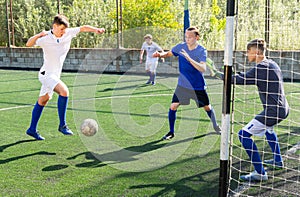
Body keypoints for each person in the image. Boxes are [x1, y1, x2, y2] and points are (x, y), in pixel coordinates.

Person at [208, 38, 289, 181]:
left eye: (248, 51)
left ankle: (260, 173)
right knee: (268, 130)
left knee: (243, 135)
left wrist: (217, 74)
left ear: (256, 52)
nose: (247, 54)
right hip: (283, 108)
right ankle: (277, 160)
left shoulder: (261, 68)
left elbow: (238, 79)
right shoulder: (271, 63)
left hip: (273, 111)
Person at [25, 14, 105, 140]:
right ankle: (62, 125)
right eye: (61, 29)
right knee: (64, 91)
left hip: (55, 75)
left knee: (43, 100)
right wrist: (39, 35)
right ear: (54, 26)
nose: (63, 32)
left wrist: (96, 30)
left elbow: (83, 28)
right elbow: (28, 44)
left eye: (64, 29)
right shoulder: (45, 38)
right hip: (46, 74)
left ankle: (31, 129)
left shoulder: (67, 33)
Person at [152, 26, 221, 140]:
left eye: (190, 37)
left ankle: (216, 126)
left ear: (197, 37)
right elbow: (169, 53)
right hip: (183, 85)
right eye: (186, 36)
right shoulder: (181, 46)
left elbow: (202, 68)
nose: (187, 39)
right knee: (173, 106)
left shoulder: (201, 50)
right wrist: (160, 54)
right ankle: (171, 132)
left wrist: (189, 59)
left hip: (197, 86)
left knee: (207, 107)